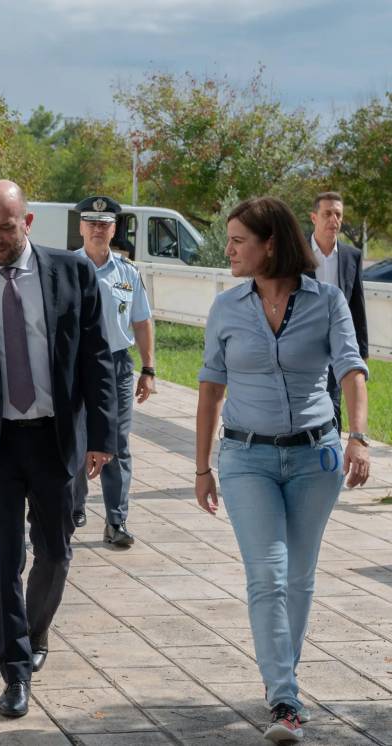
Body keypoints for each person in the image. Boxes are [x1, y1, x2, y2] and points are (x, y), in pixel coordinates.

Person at [0, 180, 117, 718]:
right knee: (2, 559)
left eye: (4, 228)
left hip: (55, 438)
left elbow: (97, 358)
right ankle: (14, 670)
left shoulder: (72, 272)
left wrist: (103, 437)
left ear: (27, 223)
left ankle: (33, 632)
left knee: (55, 550)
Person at [194, 196, 370, 744]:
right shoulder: (227, 307)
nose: (229, 250)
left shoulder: (328, 300)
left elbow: (351, 370)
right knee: (267, 574)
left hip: (315, 458)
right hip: (247, 457)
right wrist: (201, 467)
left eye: (238, 240)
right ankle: (286, 699)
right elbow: (210, 389)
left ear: (271, 244)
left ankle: (281, 681)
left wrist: (358, 438)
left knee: (299, 577)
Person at [71, 196, 156, 545]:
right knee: (73, 439)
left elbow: (141, 320)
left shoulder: (127, 273)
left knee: (116, 444)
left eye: (104, 223)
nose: (97, 228)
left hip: (116, 365)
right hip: (75, 365)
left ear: (114, 228)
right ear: (80, 227)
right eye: (90, 222)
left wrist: (148, 368)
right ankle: (73, 505)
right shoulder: (65, 268)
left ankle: (116, 520)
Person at [307, 191, 369, 431]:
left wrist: (361, 351)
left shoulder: (351, 256)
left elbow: (357, 305)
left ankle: (332, 455)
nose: (334, 220)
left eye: (338, 215)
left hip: (337, 343)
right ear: (314, 217)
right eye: (327, 214)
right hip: (304, 341)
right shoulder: (297, 252)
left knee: (333, 403)